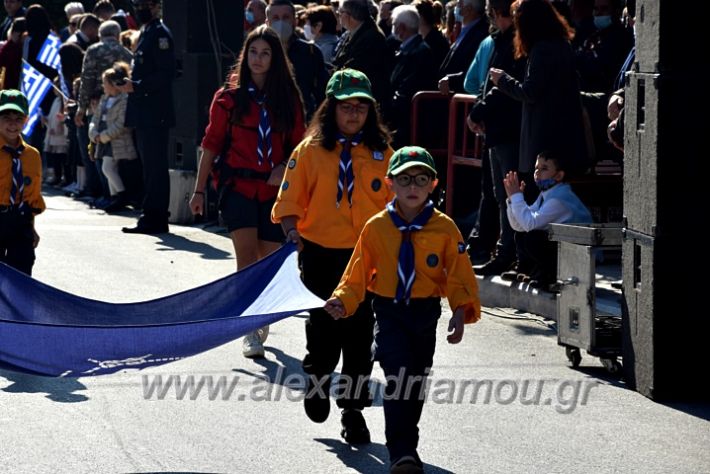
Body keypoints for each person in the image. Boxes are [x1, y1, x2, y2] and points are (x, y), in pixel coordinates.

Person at [324, 146, 480, 473]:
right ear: (390, 183)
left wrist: (459, 311)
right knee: (397, 377)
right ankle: (402, 451)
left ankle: (407, 441)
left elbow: (458, 273)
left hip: (425, 313)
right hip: (389, 311)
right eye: (405, 179)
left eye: (421, 179)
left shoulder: (445, 228)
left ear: (433, 185)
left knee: (416, 381)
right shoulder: (377, 227)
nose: (413, 187)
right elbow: (357, 272)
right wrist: (343, 299)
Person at [271, 69, 394, 444]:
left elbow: (400, 204)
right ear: (331, 108)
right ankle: (317, 379)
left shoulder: (384, 154)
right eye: (346, 107)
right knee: (324, 329)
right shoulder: (310, 151)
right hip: (321, 253)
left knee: (359, 336)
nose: (354, 114)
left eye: (361, 107)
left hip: (364, 257)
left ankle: (353, 410)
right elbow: (290, 200)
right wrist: (292, 230)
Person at [190, 25, 305, 359]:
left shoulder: (288, 98)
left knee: (267, 261)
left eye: (265, 53)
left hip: (273, 191)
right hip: (237, 186)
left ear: (275, 58)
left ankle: (261, 315)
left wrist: (285, 165)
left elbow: (299, 146)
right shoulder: (227, 99)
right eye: (253, 52)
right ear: (245, 56)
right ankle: (249, 328)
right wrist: (198, 191)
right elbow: (210, 146)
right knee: (246, 259)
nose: (258, 59)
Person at [489, 0, 588, 184]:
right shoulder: (561, 45)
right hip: (563, 136)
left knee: (542, 199)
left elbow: (529, 92)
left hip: (544, 138)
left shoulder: (541, 50)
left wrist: (503, 80)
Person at [119, 0, 176, 235]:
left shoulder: (161, 34)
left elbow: (167, 73)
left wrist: (138, 86)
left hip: (155, 113)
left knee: (156, 167)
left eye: (143, 4)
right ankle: (151, 214)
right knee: (149, 166)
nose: (139, 8)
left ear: (154, 6)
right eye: (136, 4)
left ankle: (155, 217)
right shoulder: (146, 32)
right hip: (145, 113)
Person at [502, 150, 593, 289]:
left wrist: (517, 198)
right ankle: (528, 270)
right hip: (561, 245)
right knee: (521, 235)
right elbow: (519, 226)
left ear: (559, 175)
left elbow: (530, 224)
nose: (537, 173)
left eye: (544, 169)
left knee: (534, 238)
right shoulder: (546, 194)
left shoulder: (559, 199)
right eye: (536, 168)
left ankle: (549, 276)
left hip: (578, 255)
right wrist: (511, 200)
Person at [0, 90, 45, 276]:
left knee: (22, 275)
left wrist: (31, 228)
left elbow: (31, 195)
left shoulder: (32, 155)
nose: (12, 123)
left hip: (21, 222)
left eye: (18, 118)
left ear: (26, 120)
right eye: (6, 117)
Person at [88, 62, 138, 213]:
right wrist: (93, 133)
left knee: (107, 167)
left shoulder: (124, 100)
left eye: (105, 83)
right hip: (102, 139)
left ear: (114, 84)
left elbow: (121, 124)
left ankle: (122, 196)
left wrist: (103, 136)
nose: (103, 86)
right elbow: (95, 119)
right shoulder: (104, 99)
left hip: (116, 140)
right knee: (109, 167)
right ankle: (114, 197)